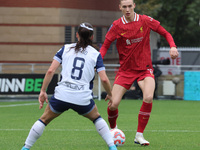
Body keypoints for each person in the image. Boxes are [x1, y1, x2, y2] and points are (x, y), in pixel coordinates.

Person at [21, 22, 117, 150]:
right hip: (82, 98)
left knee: (44, 119)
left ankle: (26, 147)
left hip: (62, 95)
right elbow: (104, 79)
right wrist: (110, 94)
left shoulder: (65, 48)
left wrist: (43, 91)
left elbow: (50, 71)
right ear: (92, 37)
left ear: (77, 35)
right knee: (96, 117)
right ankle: (112, 147)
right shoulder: (96, 54)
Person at [100, 0, 179, 146]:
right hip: (125, 71)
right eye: (125, 7)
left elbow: (165, 33)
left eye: (130, 6)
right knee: (113, 104)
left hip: (145, 69)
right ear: (120, 8)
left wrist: (173, 46)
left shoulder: (145, 20)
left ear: (134, 6)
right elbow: (105, 46)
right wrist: (98, 60)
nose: (128, 9)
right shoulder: (116, 25)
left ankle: (139, 135)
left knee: (148, 97)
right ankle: (113, 130)